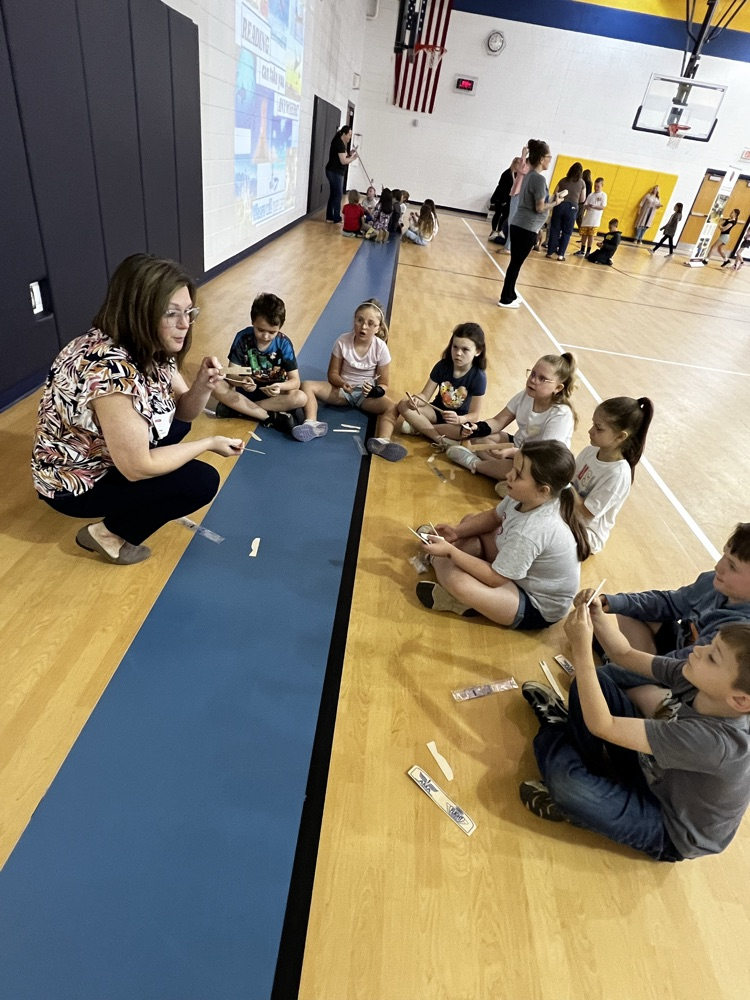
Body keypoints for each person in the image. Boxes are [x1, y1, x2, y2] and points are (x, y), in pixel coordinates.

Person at [31, 253, 244, 565]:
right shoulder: (110, 371)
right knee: (200, 482)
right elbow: (137, 466)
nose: (185, 325)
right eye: (172, 314)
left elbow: (184, 414)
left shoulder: (150, 345)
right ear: (140, 312)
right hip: (74, 485)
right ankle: (108, 535)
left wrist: (203, 384)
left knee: (177, 427)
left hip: (105, 454)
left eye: (188, 312)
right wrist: (209, 444)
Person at [519, 604, 750, 862]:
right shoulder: (696, 676)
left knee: (567, 787)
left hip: (669, 826)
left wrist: (582, 648)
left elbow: (603, 725)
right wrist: (598, 618)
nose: (698, 649)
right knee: (599, 684)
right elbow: (624, 653)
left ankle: (555, 729)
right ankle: (583, 770)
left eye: (712, 657)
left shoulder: (716, 744)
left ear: (740, 701)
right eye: (710, 645)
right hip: (652, 770)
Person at [414, 440, 590, 627]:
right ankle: (450, 569)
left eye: (518, 474)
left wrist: (450, 552)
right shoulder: (529, 497)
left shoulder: (533, 530)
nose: (508, 475)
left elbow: (495, 578)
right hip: (519, 577)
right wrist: (456, 532)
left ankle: (442, 571)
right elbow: (493, 517)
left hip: (535, 606)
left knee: (457, 581)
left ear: (543, 490)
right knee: (470, 521)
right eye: (513, 468)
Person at [295, 298, 407, 461]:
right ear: (354, 320)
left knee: (394, 407)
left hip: (365, 396)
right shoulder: (342, 341)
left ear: (378, 328)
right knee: (306, 385)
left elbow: (384, 383)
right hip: (342, 391)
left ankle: (383, 441)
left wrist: (375, 391)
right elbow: (332, 374)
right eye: (359, 320)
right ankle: (311, 423)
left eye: (370, 323)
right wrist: (342, 383)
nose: (363, 326)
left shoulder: (381, 348)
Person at [445, 353, 577, 482]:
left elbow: (543, 454)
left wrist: (512, 453)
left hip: (539, 462)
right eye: (533, 374)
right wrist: (477, 428)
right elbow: (498, 421)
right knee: (479, 438)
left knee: (518, 466)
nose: (533, 380)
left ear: (558, 388)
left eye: (542, 379)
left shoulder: (561, 415)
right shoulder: (526, 395)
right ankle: (507, 477)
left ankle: (475, 464)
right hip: (519, 446)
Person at [211, 292, 307, 434]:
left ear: (280, 327)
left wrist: (280, 386)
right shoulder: (243, 338)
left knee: (300, 397)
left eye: (272, 332)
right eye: (260, 330)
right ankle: (268, 415)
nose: (266, 336)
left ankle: (242, 410)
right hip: (247, 391)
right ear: (253, 321)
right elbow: (232, 373)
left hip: (273, 396)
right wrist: (242, 381)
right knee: (214, 383)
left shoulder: (284, 343)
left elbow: (295, 382)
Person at [572, 397, 654, 553]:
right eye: (592, 425)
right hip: (568, 515)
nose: (590, 431)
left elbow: (588, 512)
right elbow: (569, 478)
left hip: (585, 534)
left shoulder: (617, 474)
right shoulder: (590, 451)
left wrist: (565, 486)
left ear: (621, 436)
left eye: (599, 428)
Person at [498, 139, 564, 308]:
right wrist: (555, 203)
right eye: (549, 156)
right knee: (515, 264)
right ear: (542, 159)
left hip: (520, 224)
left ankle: (511, 293)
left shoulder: (529, 175)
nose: (550, 159)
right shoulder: (539, 180)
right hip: (526, 227)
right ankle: (505, 298)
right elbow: (539, 207)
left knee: (515, 263)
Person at [397, 323, 486, 445]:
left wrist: (459, 419)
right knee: (403, 405)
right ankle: (439, 439)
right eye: (455, 347)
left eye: (465, 349)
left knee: (464, 432)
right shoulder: (443, 366)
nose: (458, 353)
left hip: (456, 421)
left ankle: (420, 428)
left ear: (478, 351)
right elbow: (425, 396)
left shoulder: (478, 377)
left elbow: (474, 415)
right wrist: (416, 400)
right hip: (435, 413)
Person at [545, 161, 586, 261]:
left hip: (559, 205)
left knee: (555, 229)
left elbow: (555, 193)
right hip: (572, 208)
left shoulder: (563, 180)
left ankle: (550, 252)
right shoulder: (582, 182)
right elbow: (582, 199)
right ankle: (561, 255)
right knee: (566, 232)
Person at [325, 126, 358, 224]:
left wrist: (350, 154)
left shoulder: (342, 143)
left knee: (334, 194)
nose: (350, 137)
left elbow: (344, 157)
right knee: (338, 195)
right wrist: (354, 158)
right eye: (349, 135)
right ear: (344, 134)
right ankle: (336, 217)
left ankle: (330, 217)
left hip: (335, 172)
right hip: (334, 172)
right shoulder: (339, 143)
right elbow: (343, 161)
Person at [502, 143, 530, 254]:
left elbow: (522, 168)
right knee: (511, 221)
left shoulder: (527, 169)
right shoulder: (525, 169)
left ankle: (508, 247)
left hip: (518, 195)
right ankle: (508, 245)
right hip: (516, 195)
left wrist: (523, 155)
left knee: (512, 222)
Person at [489, 156, 520, 243]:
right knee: (498, 213)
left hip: (509, 198)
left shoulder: (517, 175)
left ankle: (499, 230)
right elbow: (502, 188)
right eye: (519, 164)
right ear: (515, 163)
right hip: (501, 197)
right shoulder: (506, 173)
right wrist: (503, 200)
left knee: (506, 214)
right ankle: (494, 230)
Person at [574, 177, 607, 257]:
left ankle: (588, 250)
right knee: (584, 234)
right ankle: (582, 249)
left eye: (598, 186)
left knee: (591, 235)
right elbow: (585, 205)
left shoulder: (603, 195)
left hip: (595, 220)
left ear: (602, 185)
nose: (596, 188)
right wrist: (587, 206)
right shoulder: (591, 195)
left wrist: (594, 206)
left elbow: (602, 207)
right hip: (587, 218)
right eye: (595, 186)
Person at [575, 168, 593, 232]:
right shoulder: (589, 183)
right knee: (579, 218)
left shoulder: (584, 183)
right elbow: (589, 194)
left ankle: (583, 232)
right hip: (584, 202)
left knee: (577, 216)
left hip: (581, 202)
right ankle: (582, 232)